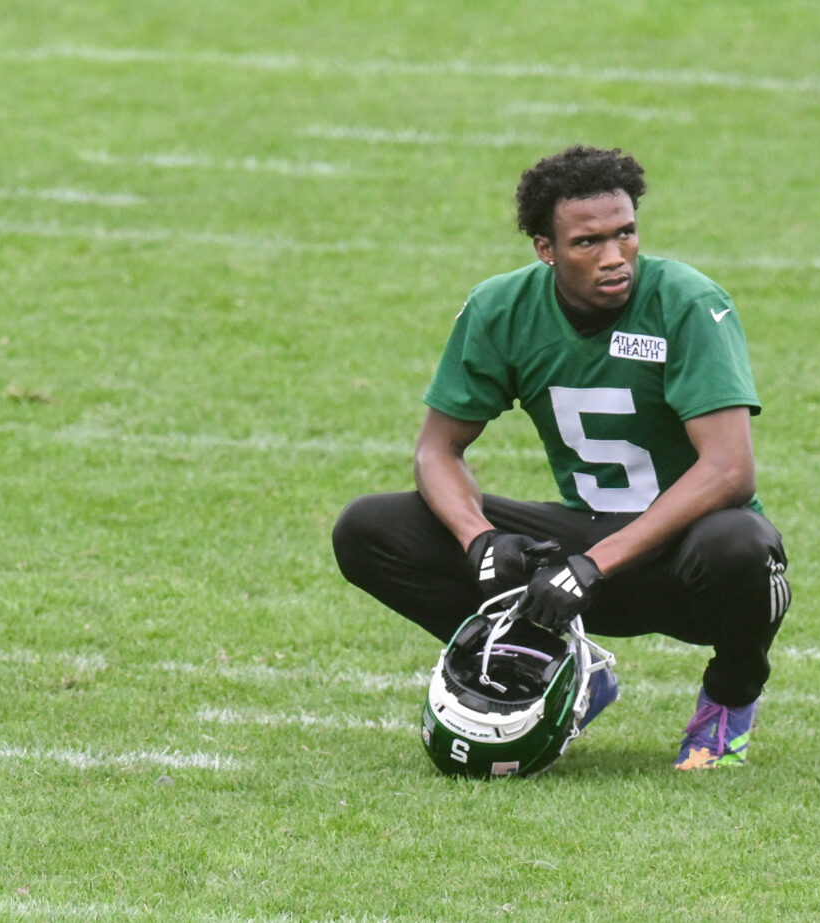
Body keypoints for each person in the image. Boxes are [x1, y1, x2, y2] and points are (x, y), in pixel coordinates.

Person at [332, 145, 790, 770]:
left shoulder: (685, 301)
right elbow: (438, 449)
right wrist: (479, 540)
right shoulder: (502, 308)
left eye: (625, 233)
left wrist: (592, 568)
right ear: (545, 249)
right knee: (370, 529)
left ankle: (727, 704)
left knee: (744, 544)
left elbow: (730, 472)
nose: (614, 257)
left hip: (685, 555)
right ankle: (549, 663)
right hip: (585, 539)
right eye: (587, 242)